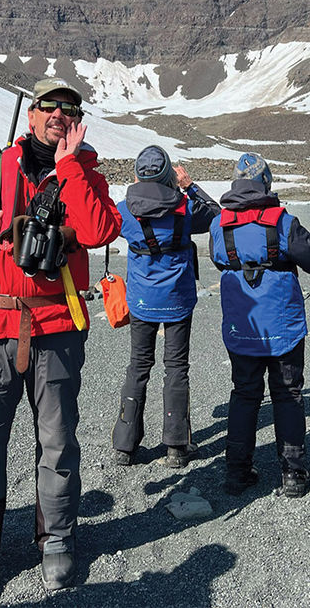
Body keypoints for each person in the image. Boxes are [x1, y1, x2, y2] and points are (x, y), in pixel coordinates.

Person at [0, 78, 121, 605]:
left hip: (57, 327)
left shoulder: (86, 175)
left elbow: (99, 230)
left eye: (70, 109)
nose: (59, 115)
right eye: (49, 107)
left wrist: (69, 168)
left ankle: (58, 541)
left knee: (59, 442)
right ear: (32, 115)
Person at [209, 152, 310, 498]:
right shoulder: (283, 221)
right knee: (288, 394)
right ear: (266, 183)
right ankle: (293, 473)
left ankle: (237, 472)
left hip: (241, 325)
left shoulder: (220, 224)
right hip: (283, 325)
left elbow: (220, 259)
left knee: (244, 394)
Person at [112, 146, 220, 467]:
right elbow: (217, 215)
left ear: (137, 175)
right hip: (178, 300)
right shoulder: (186, 210)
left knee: (138, 366)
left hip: (142, 302)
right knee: (176, 368)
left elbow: (102, 224)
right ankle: (176, 445)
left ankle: (125, 447)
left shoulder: (125, 211)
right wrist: (189, 185)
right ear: (169, 174)